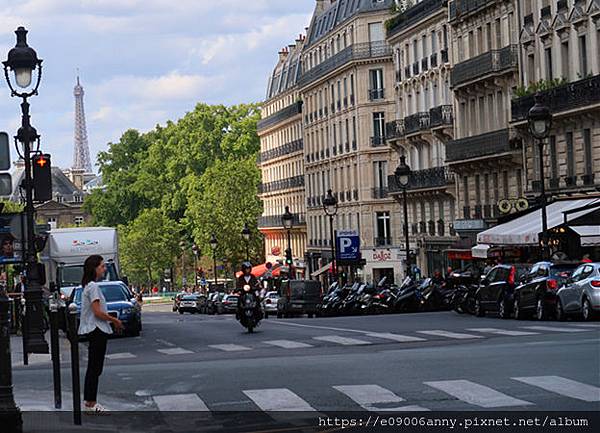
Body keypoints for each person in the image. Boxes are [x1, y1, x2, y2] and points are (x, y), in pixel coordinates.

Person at [78, 255, 124, 413]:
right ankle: (91, 403)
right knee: (95, 368)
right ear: (94, 268)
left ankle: (90, 401)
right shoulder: (93, 287)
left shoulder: (88, 286)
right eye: (102, 266)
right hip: (96, 329)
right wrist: (114, 320)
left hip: (93, 329)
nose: (104, 269)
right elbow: (97, 312)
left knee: (94, 367)